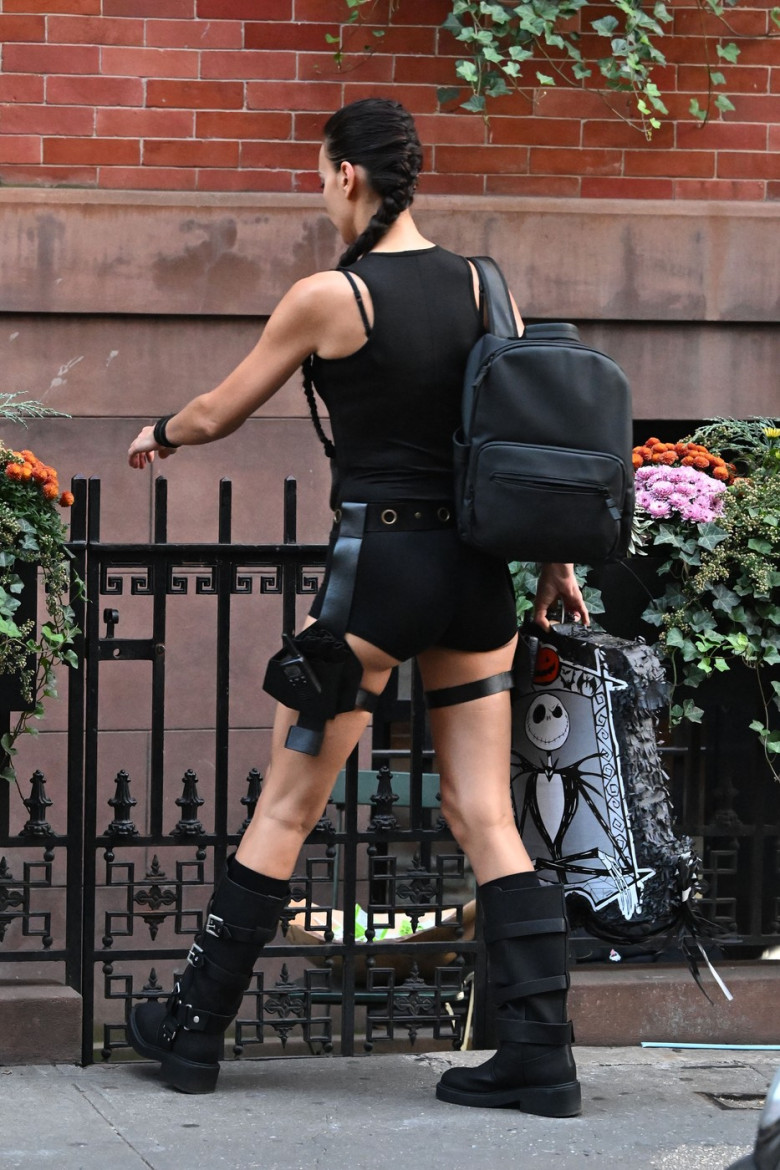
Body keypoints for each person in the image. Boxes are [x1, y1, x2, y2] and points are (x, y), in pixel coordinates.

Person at [126, 97, 588, 1115]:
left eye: (319, 173)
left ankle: (193, 1034)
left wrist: (161, 431)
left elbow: (221, 407)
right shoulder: (485, 284)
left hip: (380, 572)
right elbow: (524, 435)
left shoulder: (330, 296)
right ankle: (542, 1060)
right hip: (476, 576)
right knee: (485, 817)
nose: (318, 190)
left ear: (347, 177)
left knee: (288, 805)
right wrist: (556, 563)